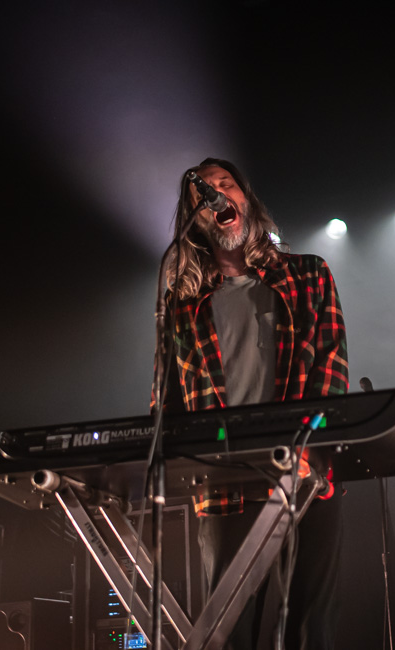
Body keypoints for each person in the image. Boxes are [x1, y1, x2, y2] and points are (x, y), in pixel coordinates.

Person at [151, 157, 349, 649]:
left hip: (305, 475)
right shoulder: (182, 304)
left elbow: (330, 367)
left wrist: (314, 449)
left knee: (307, 630)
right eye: (203, 195)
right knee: (229, 634)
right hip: (222, 485)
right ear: (195, 221)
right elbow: (166, 401)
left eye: (225, 185)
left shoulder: (308, 275)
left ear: (244, 200)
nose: (216, 196)